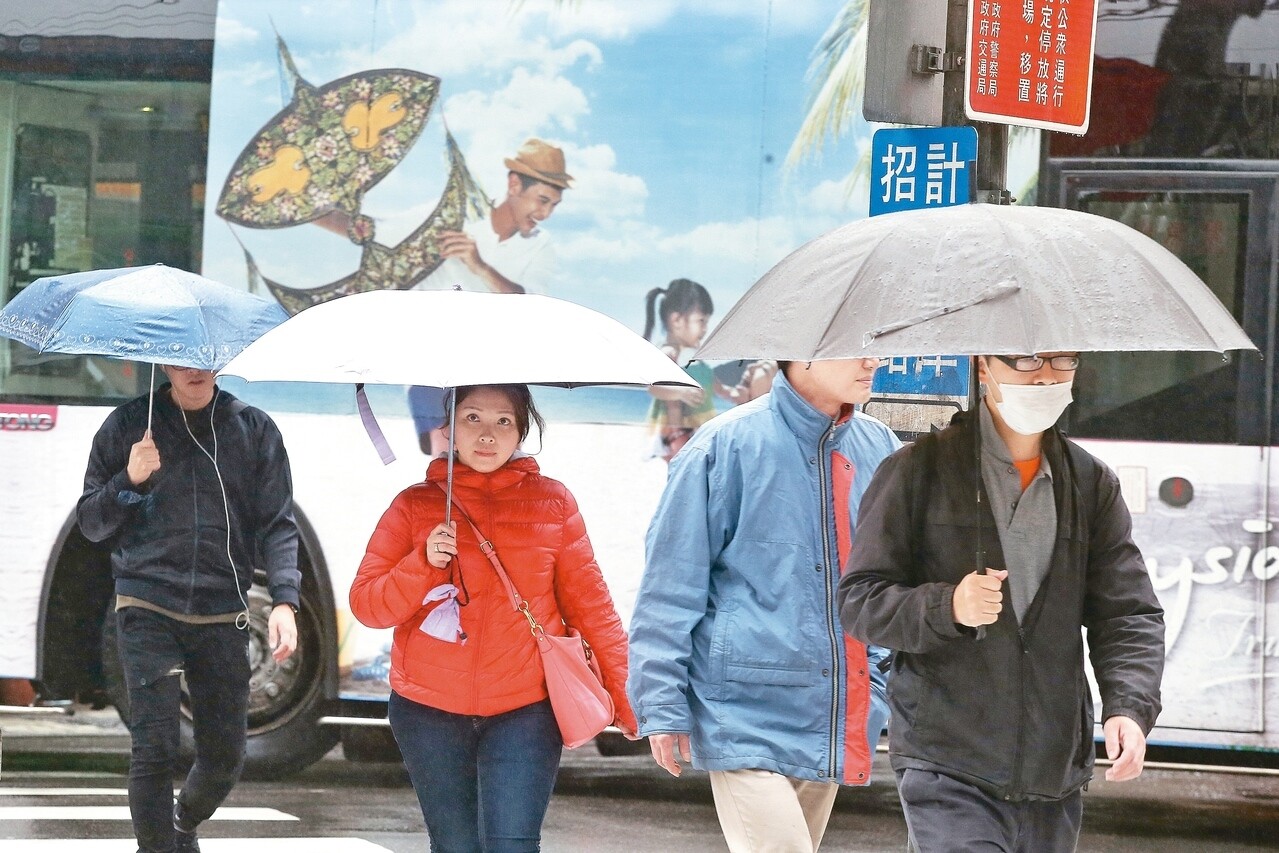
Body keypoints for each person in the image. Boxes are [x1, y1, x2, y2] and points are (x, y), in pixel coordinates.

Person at [838, 352, 1166, 853]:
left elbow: (1127, 613)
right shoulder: (916, 471)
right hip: (947, 761)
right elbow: (861, 601)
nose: (1046, 375)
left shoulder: (1090, 481)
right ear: (983, 366)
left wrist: (1128, 706)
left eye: (1063, 360)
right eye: (1026, 359)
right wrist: (948, 607)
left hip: (1053, 770)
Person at [628, 358, 900, 853]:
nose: (872, 361)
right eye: (852, 346)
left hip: (837, 704)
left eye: (872, 344)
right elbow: (670, 584)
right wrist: (661, 703)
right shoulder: (723, 445)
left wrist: (879, 679)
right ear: (803, 353)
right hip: (742, 711)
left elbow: (891, 578)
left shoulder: (878, 445)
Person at [350, 384, 637, 852]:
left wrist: (628, 702)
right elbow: (368, 605)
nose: (487, 435)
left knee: (512, 844)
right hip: (428, 711)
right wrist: (422, 563)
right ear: (450, 428)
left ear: (522, 429)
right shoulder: (415, 505)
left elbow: (593, 609)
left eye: (503, 421)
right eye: (473, 418)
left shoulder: (554, 504)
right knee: (455, 846)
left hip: (525, 708)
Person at [77, 365, 300, 853]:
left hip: (224, 612)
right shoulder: (128, 425)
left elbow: (278, 523)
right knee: (153, 748)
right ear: (162, 362)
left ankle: (182, 823)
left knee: (224, 757)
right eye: (181, 360)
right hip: (146, 604)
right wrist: (129, 478)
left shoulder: (254, 429)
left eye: (204, 361)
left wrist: (285, 599)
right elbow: (91, 523)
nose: (194, 371)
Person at [410, 138, 572, 456]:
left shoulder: (541, 246)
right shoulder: (459, 219)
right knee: (443, 469)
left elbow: (531, 307)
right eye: (541, 200)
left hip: (499, 376)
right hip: (435, 369)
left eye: (553, 205)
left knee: (500, 467)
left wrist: (480, 266)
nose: (545, 213)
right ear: (514, 184)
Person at [641, 278, 729, 462]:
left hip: (691, 426)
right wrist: (681, 392)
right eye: (701, 321)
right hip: (675, 430)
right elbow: (653, 387)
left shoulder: (691, 355)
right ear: (677, 320)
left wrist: (729, 392)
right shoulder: (668, 352)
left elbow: (709, 379)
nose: (705, 328)